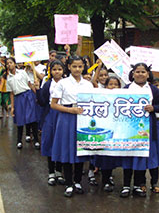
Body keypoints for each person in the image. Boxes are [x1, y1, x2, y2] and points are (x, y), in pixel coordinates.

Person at [50, 55, 94, 197]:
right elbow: (54, 104)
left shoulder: (88, 84)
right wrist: (70, 110)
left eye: (80, 66)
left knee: (80, 149)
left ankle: (77, 181)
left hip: (83, 118)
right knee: (67, 150)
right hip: (67, 118)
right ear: (68, 67)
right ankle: (68, 183)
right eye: (74, 66)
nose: (77, 69)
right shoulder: (62, 83)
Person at [120, 63, 159, 198]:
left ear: (148, 74)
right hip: (129, 128)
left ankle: (138, 185)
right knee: (128, 157)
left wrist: (153, 108)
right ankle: (126, 185)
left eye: (143, 72)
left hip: (147, 128)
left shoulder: (153, 90)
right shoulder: (126, 89)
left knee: (141, 155)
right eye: (137, 72)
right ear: (132, 73)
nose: (140, 74)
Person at [93, 75, 122, 192]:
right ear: (105, 86)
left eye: (116, 85)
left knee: (112, 156)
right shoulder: (101, 97)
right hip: (104, 131)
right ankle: (105, 180)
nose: (113, 87)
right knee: (104, 156)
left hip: (117, 131)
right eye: (110, 84)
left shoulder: (123, 98)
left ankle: (108, 177)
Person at [39, 59, 66, 186]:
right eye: (54, 69)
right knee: (49, 141)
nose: (57, 72)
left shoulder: (67, 84)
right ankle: (51, 172)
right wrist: (36, 89)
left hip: (63, 114)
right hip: (50, 114)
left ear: (63, 70)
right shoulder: (47, 83)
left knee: (60, 142)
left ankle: (59, 171)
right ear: (50, 71)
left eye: (59, 69)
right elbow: (42, 101)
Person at [6, 57, 39, 149]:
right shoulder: (8, 78)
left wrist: (36, 94)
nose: (9, 65)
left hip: (28, 96)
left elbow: (29, 84)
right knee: (20, 119)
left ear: (15, 63)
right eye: (7, 63)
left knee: (32, 118)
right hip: (18, 98)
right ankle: (19, 141)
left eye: (11, 63)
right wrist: (12, 107)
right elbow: (11, 93)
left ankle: (36, 140)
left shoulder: (22, 72)